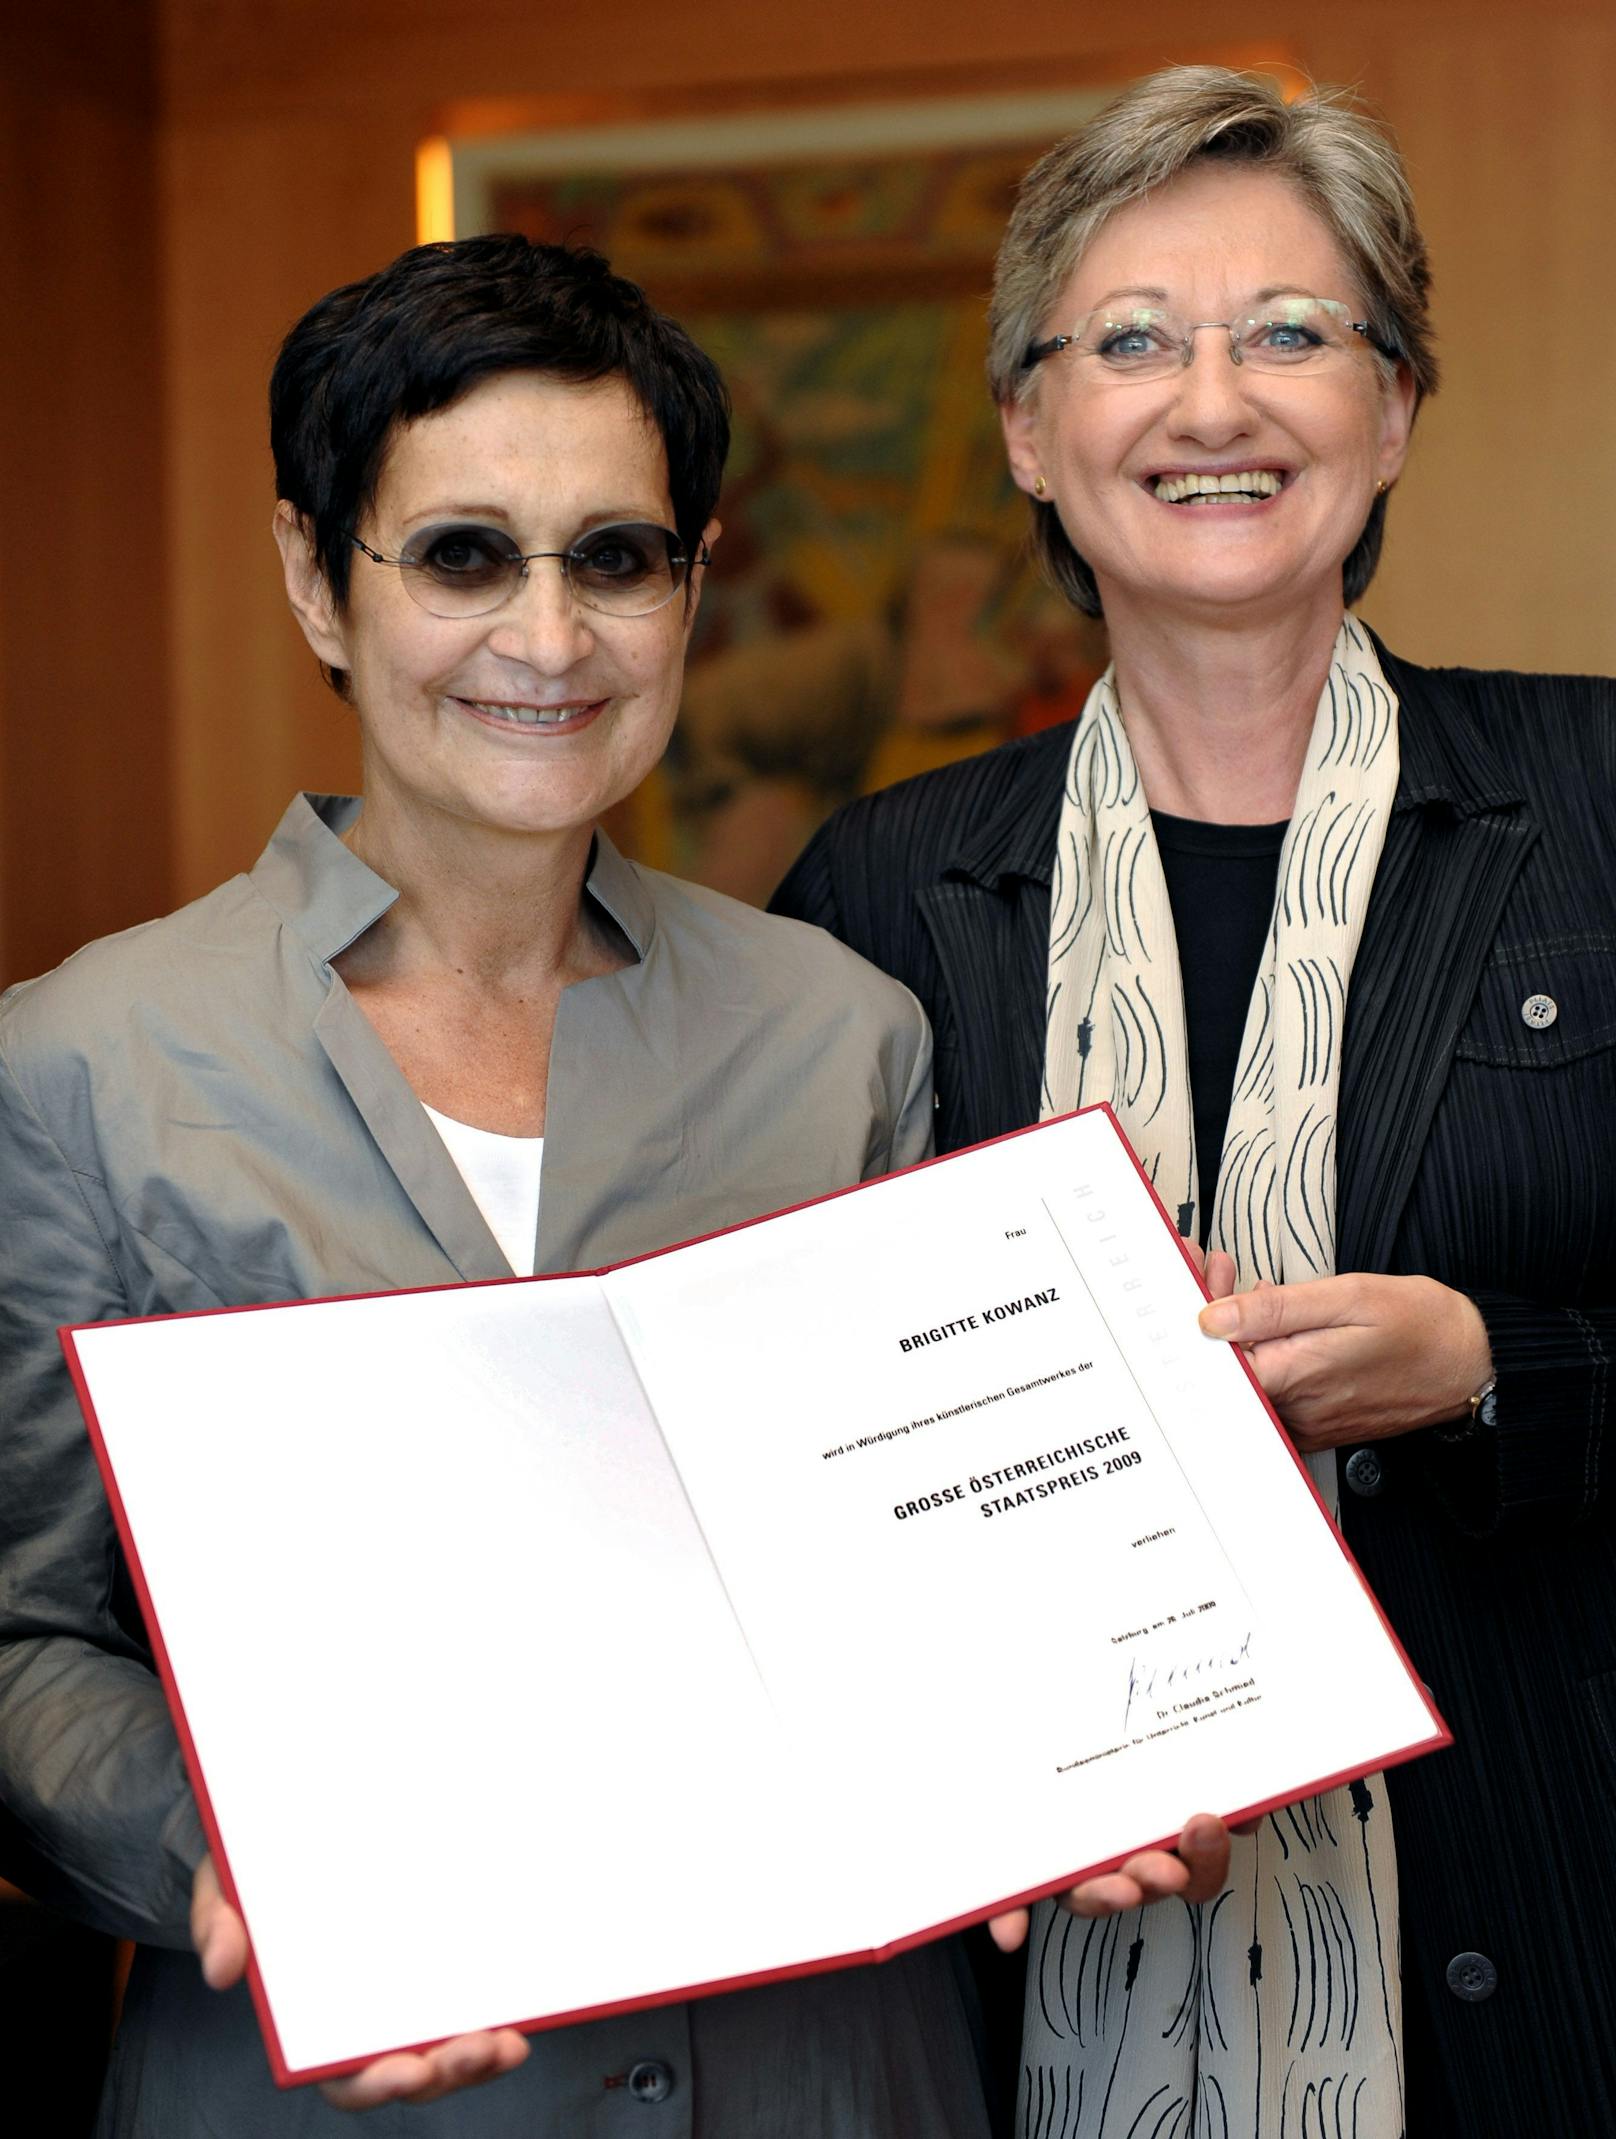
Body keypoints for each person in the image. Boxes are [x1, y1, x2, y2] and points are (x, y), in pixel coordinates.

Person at [0, 236, 1228, 2137]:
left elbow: (923, 1573)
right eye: (464, 556)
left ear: (691, 590)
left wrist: (1086, 1741)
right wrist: (223, 1853)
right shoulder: (83, 1064)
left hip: (824, 2078)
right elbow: (22, 1637)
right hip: (348, 2083)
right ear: (320, 583)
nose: (550, 640)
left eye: (616, 560)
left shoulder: (845, 1036)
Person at [773, 64, 1616, 2139]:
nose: (1210, 399)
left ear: (1396, 405)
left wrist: (1500, 1366)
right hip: (1022, 1977)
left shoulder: (1596, 805)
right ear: (1029, 432)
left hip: (1555, 1920)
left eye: (1291, 333)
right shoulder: (876, 892)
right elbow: (791, 1462)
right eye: (1131, 340)